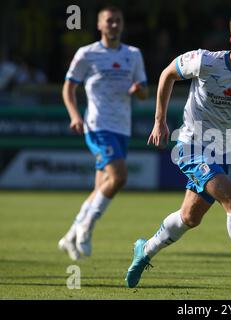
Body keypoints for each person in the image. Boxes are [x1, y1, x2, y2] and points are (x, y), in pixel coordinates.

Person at [125, 9, 231, 295]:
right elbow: (167, 75)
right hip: (190, 145)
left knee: (190, 217)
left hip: (222, 150)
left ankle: (145, 249)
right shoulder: (205, 60)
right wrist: (159, 120)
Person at [58, 6, 149, 260]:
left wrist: (138, 91)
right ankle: (86, 228)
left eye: (117, 21)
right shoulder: (87, 54)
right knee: (119, 177)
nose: (114, 25)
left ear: (122, 24)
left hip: (122, 127)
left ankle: (70, 235)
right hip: (97, 125)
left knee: (102, 186)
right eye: (109, 21)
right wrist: (75, 115)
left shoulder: (133, 54)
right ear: (99, 25)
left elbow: (144, 91)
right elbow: (68, 89)